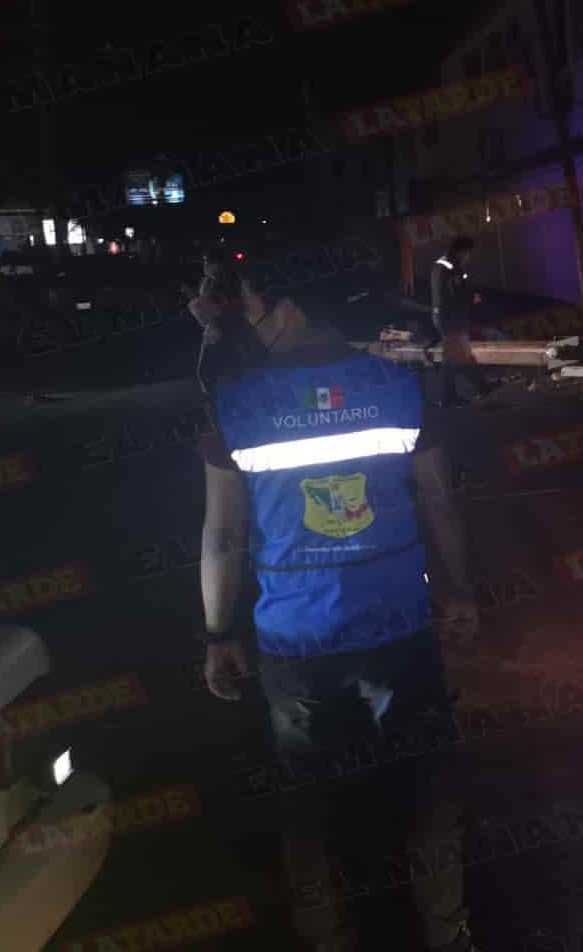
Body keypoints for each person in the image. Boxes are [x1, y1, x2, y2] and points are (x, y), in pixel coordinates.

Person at [194, 256, 481, 951]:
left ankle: (328, 940)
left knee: (310, 810)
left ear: (290, 308)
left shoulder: (237, 403)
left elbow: (223, 535)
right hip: (399, 627)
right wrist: (460, 593)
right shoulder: (399, 387)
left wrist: (218, 633)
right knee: (425, 791)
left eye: (255, 307)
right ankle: (448, 935)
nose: (250, 322)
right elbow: (440, 501)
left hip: (296, 642)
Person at [429, 236, 494, 407]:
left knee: (462, 354)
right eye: (468, 253)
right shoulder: (453, 266)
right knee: (453, 358)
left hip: (441, 316)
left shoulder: (441, 263)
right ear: (462, 251)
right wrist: (473, 298)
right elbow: (457, 292)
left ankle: (481, 387)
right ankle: (448, 397)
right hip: (451, 318)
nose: (468, 257)